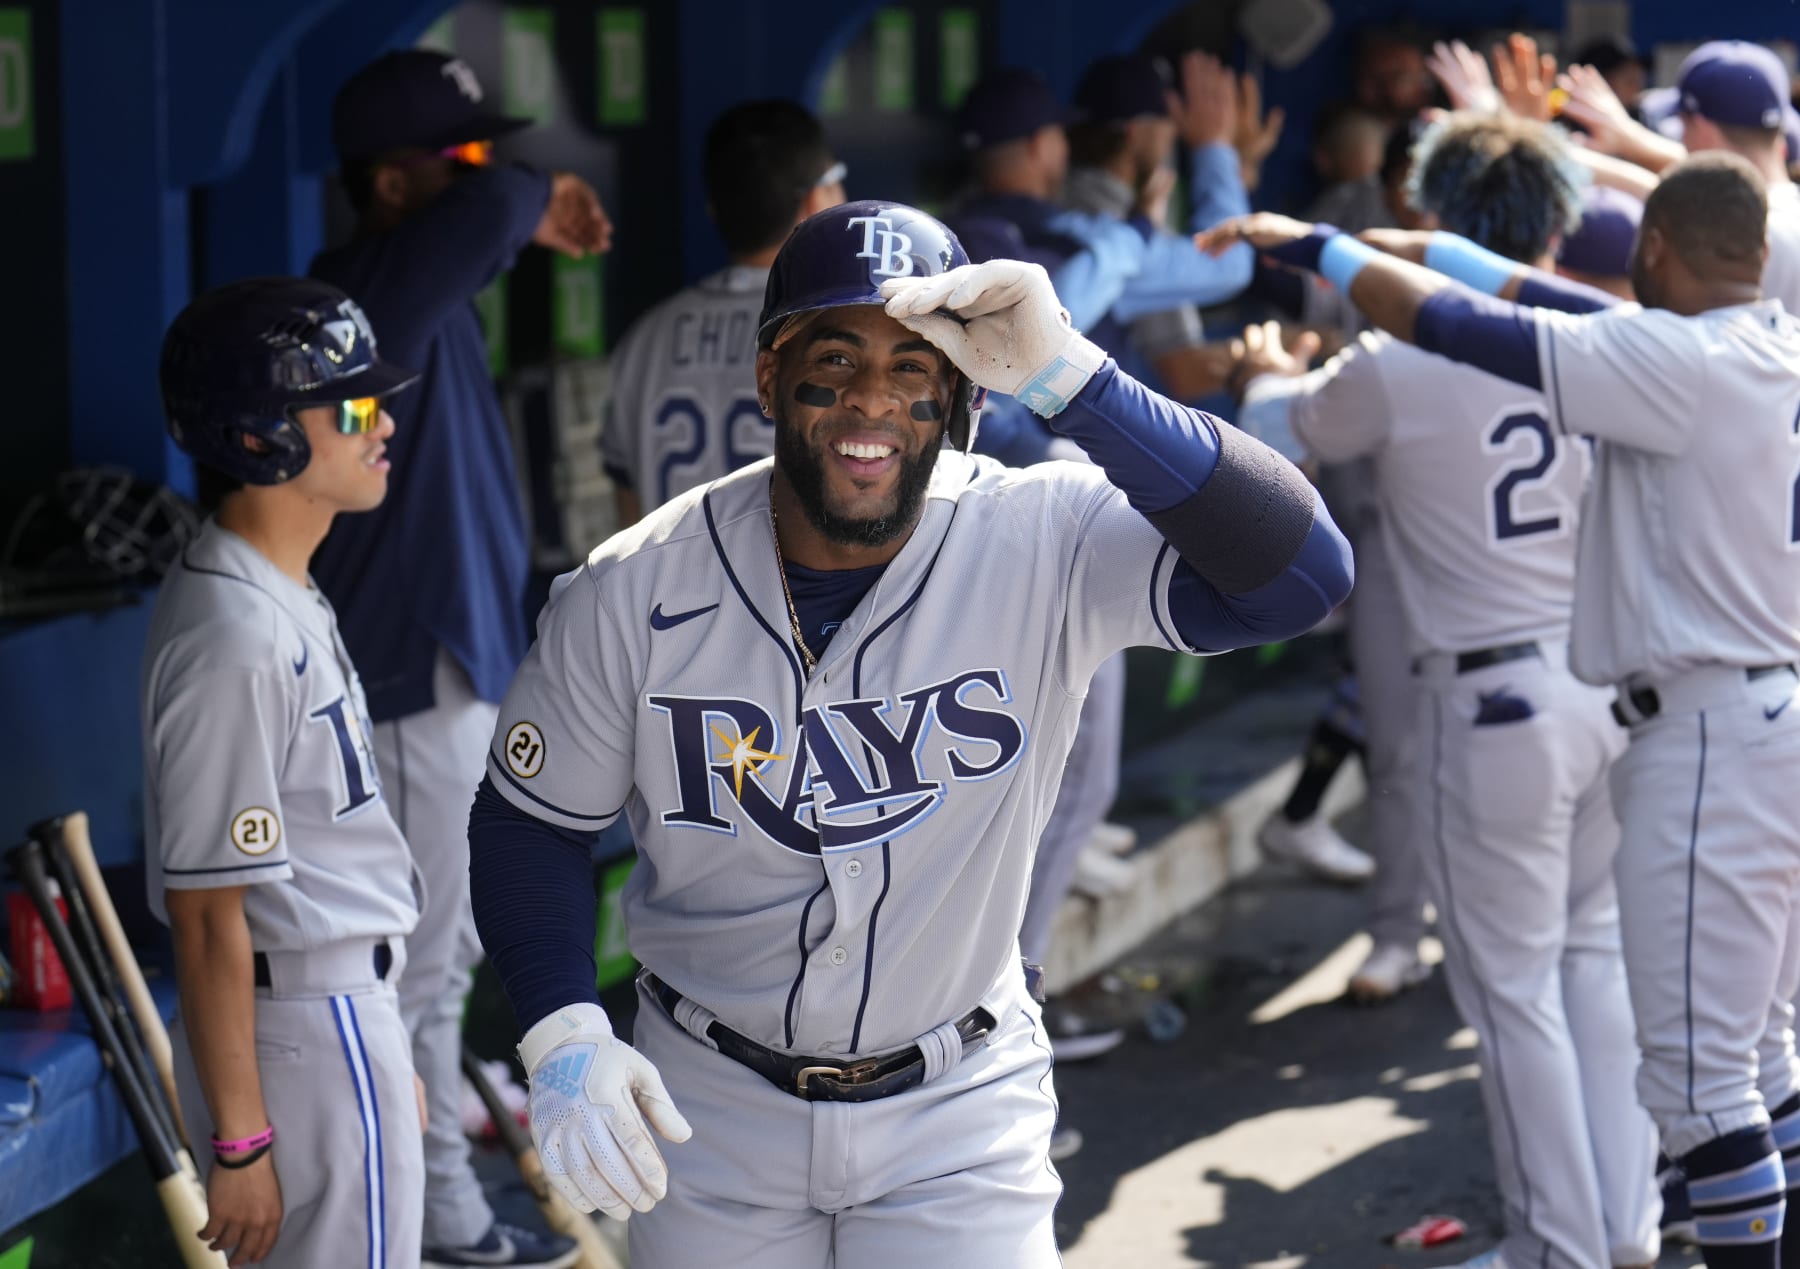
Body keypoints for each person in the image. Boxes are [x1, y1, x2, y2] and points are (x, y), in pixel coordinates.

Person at [466, 199, 1353, 1268]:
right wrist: (562, 1028)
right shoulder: (632, 586)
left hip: (959, 1113)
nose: (870, 402)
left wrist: (1076, 379)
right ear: (768, 377)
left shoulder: (1044, 532)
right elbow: (530, 821)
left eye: (914, 365)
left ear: (963, 392)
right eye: (832, 361)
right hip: (710, 1111)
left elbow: (1301, 578)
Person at [1202, 148, 1800, 1269]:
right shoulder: (1751, 340)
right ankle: (1614, 1229)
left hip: (1629, 718)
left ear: (1659, 251)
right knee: (1697, 1027)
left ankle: (1563, 1245)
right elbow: (1541, 297)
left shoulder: (1660, 358)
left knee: (1664, 1059)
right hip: (1683, 713)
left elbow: (1470, 331)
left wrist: (1327, 254)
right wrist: (1413, 250)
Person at [1234, 112, 1660, 1268]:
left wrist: (1275, 371)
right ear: (1554, 226)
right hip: (1611, 691)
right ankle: (1623, 1226)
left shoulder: (1398, 356)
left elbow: (1285, 433)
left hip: (1499, 705)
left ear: (1434, 226)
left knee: (1514, 991)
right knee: (1595, 966)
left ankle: (1558, 1244)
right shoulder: (1608, 337)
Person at [311, 49, 609, 1269]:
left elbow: (489, 203)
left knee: (443, 967)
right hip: (408, 680)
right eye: (460, 151)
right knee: (417, 980)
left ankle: (429, 1207)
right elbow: (497, 203)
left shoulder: (418, 293)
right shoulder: (363, 290)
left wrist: (515, 198)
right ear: (392, 183)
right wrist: (526, 197)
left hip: (452, 676)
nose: (487, 170)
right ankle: (441, 1227)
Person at [146, 277, 424, 1267]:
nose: (382, 421)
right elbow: (210, 912)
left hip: (325, 1020)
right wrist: (242, 1139)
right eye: (352, 406)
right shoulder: (235, 631)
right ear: (262, 434)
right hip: (300, 1024)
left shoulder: (272, 587)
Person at [603, 99, 846, 526]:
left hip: (663, 588)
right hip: (779, 590)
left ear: (715, 208)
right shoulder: (836, 331)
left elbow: (626, 508)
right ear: (814, 200)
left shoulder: (644, 339)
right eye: (836, 180)